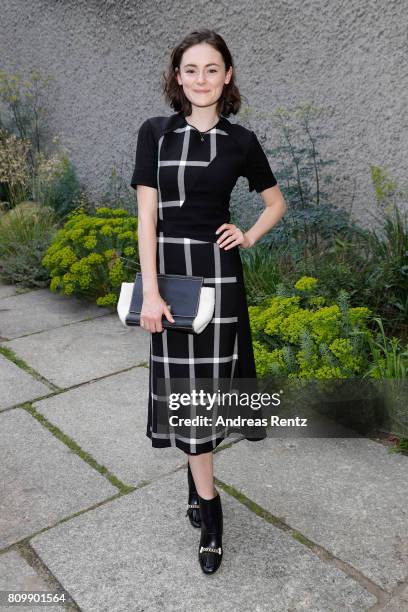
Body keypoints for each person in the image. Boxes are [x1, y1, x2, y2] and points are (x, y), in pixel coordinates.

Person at [130, 28, 287, 574]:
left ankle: (203, 496)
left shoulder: (242, 141)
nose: (201, 79)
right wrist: (151, 291)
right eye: (191, 69)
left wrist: (247, 234)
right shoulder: (155, 133)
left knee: (205, 393)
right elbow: (146, 219)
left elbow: (275, 202)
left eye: (212, 69)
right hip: (171, 278)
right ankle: (210, 502)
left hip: (218, 279)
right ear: (177, 77)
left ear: (228, 76)